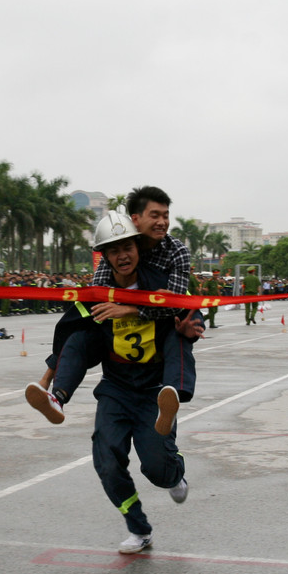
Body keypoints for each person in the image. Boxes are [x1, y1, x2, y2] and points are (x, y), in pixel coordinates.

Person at [28, 211, 200, 554]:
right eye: (113, 249)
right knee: (106, 462)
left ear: (138, 246)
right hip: (116, 387)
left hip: (155, 389)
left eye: (127, 246)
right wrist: (48, 377)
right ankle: (59, 398)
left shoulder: (160, 282)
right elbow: (67, 332)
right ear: (104, 256)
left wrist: (139, 311)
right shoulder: (98, 291)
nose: (122, 255)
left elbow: (191, 312)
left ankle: (175, 471)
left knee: (157, 469)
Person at [29, 186, 197, 429]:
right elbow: (96, 299)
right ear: (136, 220)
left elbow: (178, 303)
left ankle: (171, 397)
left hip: (160, 331)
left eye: (165, 215)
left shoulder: (177, 252)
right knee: (76, 327)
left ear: (136, 246)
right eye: (155, 215)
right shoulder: (115, 254)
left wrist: (131, 309)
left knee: (180, 332)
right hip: (118, 346)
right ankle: (54, 394)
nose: (162, 222)